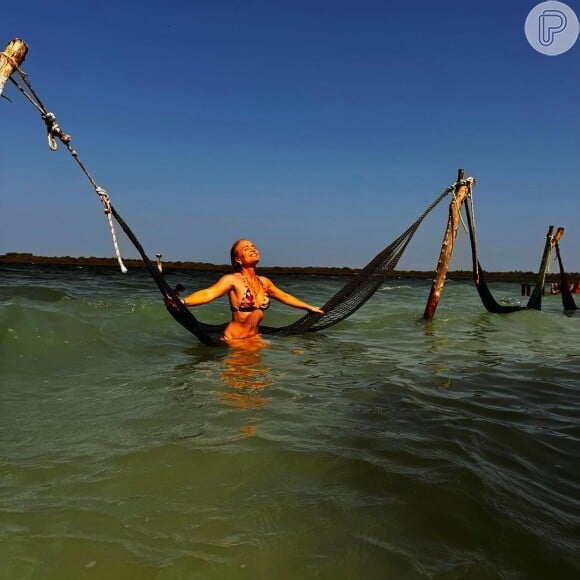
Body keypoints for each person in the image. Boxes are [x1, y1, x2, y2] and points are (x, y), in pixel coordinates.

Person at [166, 239, 324, 342]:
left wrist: (309, 307)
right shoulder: (232, 280)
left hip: (254, 338)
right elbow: (208, 293)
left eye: (254, 247)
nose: (253, 249)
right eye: (246, 248)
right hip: (234, 339)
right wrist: (183, 302)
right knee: (240, 389)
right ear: (238, 259)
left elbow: (285, 297)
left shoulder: (264, 282)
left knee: (264, 384)